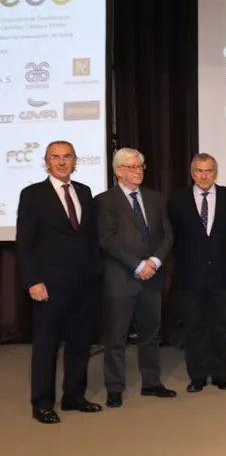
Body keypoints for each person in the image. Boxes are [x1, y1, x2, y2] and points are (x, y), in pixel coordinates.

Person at [16, 141, 103, 424]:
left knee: (80, 343)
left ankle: (74, 397)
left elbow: (89, 237)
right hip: (49, 285)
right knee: (46, 345)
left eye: (67, 157)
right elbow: (25, 243)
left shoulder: (84, 192)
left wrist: (96, 271)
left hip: (84, 283)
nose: (62, 162)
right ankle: (42, 403)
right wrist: (33, 280)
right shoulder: (32, 194)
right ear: (46, 162)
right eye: (55, 157)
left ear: (75, 161)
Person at [96, 147, 176, 408]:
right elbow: (108, 239)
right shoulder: (104, 201)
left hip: (152, 276)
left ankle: (152, 383)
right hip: (121, 278)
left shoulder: (155, 198)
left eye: (140, 166)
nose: (138, 171)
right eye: (131, 167)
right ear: (118, 171)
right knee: (116, 338)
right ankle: (115, 388)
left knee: (150, 335)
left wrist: (153, 261)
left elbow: (167, 235)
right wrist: (137, 264)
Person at [167, 153, 226, 393]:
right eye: (199, 171)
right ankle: (197, 376)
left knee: (221, 327)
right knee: (194, 328)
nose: (204, 175)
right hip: (189, 277)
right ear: (192, 173)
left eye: (208, 171)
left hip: (221, 275)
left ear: (215, 173)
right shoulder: (177, 200)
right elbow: (172, 236)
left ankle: (220, 374)